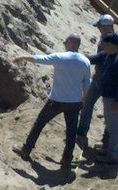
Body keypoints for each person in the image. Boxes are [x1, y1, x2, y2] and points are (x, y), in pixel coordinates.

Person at [12, 34, 91, 171]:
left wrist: (23, 57)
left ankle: (26, 150)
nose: (65, 44)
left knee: (39, 124)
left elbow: (40, 59)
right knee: (71, 132)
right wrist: (84, 100)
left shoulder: (59, 57)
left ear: (70, 43)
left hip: (56, 100)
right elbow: (86, 84)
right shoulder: (85, 62)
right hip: (74, 102)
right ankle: (66, 159)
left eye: (66, 42)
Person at [77, 14, 118, 154]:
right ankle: (81, 134)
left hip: (109, 84)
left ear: (107, 27)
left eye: (100, 27)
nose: (99, 30)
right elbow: (100, 57)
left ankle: (108, 143)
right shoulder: (104, 39)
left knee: (110, 114)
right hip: (98, 79)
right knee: (87, 104)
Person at [91, 33, 118, 166]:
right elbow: (95, 58)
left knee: (116, 126)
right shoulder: (109, 54)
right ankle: (108, 149)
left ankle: (114, 156)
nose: (102, 48)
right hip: (109, 96)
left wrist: (117, 101)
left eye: (104, 45)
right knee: (110, 124)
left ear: (111, 45)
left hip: (116, 99)